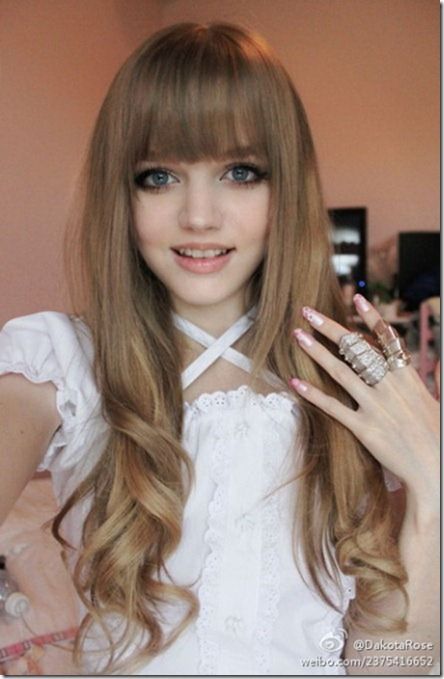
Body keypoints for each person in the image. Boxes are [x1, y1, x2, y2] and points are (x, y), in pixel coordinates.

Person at [0, 22, 439, 676]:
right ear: (120, 192)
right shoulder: (60, 363)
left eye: (240, 172)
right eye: (158, 176)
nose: (200, 216)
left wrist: (433, 483)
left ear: (284, 187)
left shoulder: (343, 385)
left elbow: (393, 665)